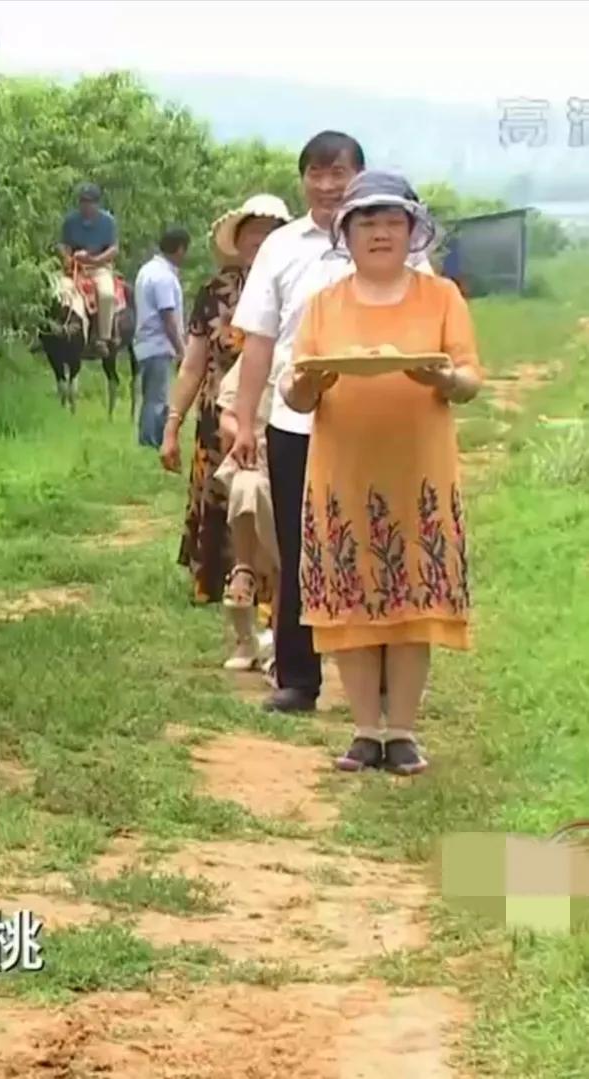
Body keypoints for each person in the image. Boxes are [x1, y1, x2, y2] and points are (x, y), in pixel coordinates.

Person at [280, 170, 482, 775]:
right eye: (367, 221)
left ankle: (403, 732)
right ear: (346, 232)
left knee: (412, 602)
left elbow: (470, 376)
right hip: (343, 474)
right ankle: (365, 729)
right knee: (350, 604)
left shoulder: (441, 296)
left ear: (413, 230)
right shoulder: (325, 304)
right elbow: (296, 394)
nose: (380, 232)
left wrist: (444, 380)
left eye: (393, 221)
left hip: (418, 473)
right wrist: (310, 384)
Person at [229, 131, 433, 714]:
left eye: (337, 173)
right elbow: (260, 343)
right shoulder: (281, 247)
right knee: (299, 548)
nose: (325, 185)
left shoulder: (395, 239)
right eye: (314, 174)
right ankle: (298, 676)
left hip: (379, 421)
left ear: (359, 176)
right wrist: (245, 419)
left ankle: (384, 678)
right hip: (296, 421)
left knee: (378, 542)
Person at [161, 195, 292, 606]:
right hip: (217, 413)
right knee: (221, 498)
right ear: (238, 238)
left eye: (270, 231)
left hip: (277, 410)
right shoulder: (214, 292)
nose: (260, 238)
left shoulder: (296, 288)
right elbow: (192, 365)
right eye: (253, 230)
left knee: (272, 497)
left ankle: (274, 584)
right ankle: (221, 583)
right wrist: (172, 424)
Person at [211, 346, 280, 671]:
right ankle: (243, 572)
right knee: (245, 489)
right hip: (253, 456)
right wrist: (240, 432)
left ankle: (282, 639)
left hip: (300, 457)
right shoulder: (256, 352)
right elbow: (226, 411)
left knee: (284, 550)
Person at [133, 226, 190, 447]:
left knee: (152, 397)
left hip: (145, 343)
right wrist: (181, 349)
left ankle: (151, 439)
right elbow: (168, 316)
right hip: (158, 343)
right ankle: (150, 441)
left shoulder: (147, 270)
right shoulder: (164, 277)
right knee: (157, 399)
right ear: (180, 249)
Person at [59, 182, 119, 357]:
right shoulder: (70, 221)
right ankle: (67, 328)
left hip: (99, 266)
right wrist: (68, 258)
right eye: (82, 201)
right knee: (63, 291)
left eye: (89, 202)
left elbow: (114, 248)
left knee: (106, 293)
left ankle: (103, 337)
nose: (85, 205)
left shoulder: (108, 222)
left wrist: (94, 259)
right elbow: (63, 244)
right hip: (75, 268)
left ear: (97, 203)